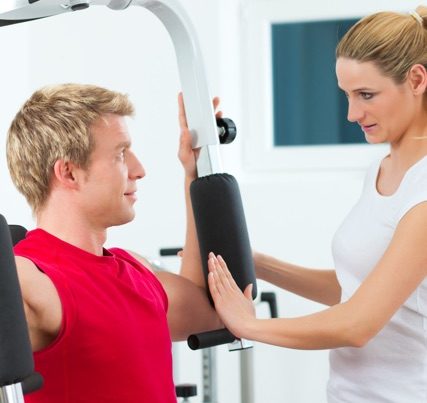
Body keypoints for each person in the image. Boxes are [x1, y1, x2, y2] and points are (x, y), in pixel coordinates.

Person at [207, 6, 427, 403]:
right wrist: (256, 262)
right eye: (347, 95)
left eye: (366, 95)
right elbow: (353, 288)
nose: (352, 113)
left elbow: (358, 324)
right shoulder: (384, 169)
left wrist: (248, 325)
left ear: (416, 79)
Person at [6, 83, 222, 402]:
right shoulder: (29, 278)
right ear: (69, 173)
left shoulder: (135, 268)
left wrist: (194, 173)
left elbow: (209, 312)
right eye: (121, 154)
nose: (139, 170)